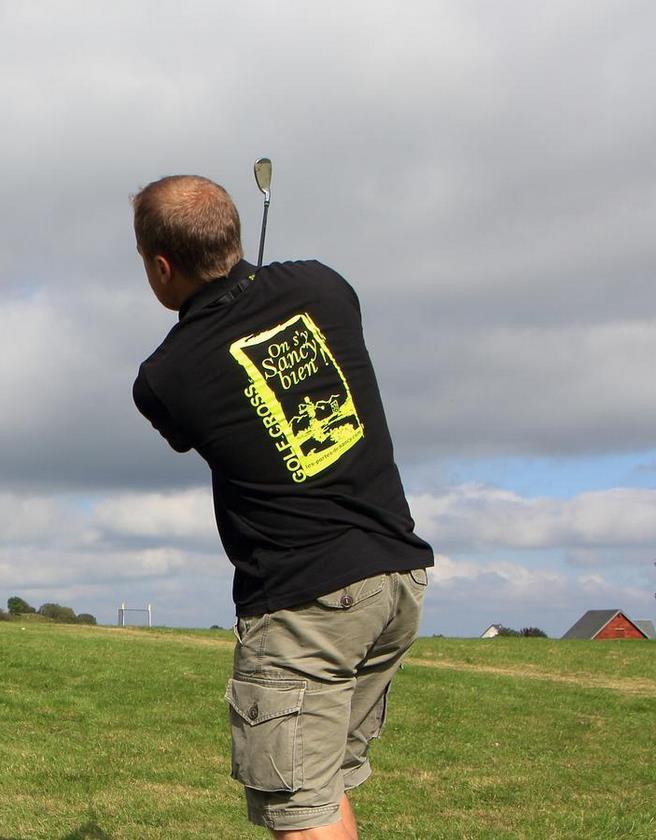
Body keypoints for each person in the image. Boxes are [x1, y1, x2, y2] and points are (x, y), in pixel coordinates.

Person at [129, 175, 433, 838]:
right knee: (320, 787)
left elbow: (193, 411)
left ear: (160, 267)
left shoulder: (164, 378)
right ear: (233, 235)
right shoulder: (324, 285)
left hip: (309, 603)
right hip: (395, 580)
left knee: (299, 806)